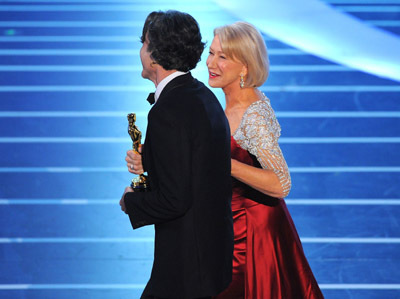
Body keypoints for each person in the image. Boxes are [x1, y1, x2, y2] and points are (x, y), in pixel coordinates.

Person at [119, 10, 234, 299]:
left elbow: (175, 199)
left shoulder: (167, 111)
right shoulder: (202, 95)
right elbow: (196, 166)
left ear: (155, 54)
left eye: (144, 43)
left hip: (185, 269)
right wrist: (153, 160)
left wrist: (132, 200)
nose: (141, 50)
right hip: (208, 259)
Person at [206, 22, 324, 299]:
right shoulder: (232, 102)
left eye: (222, 57)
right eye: (211, 53)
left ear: (245, 67)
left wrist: (223, 163)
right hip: (233, 225)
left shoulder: (253, 115)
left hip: (252, 235)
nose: (211, 63)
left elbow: (281, 183)